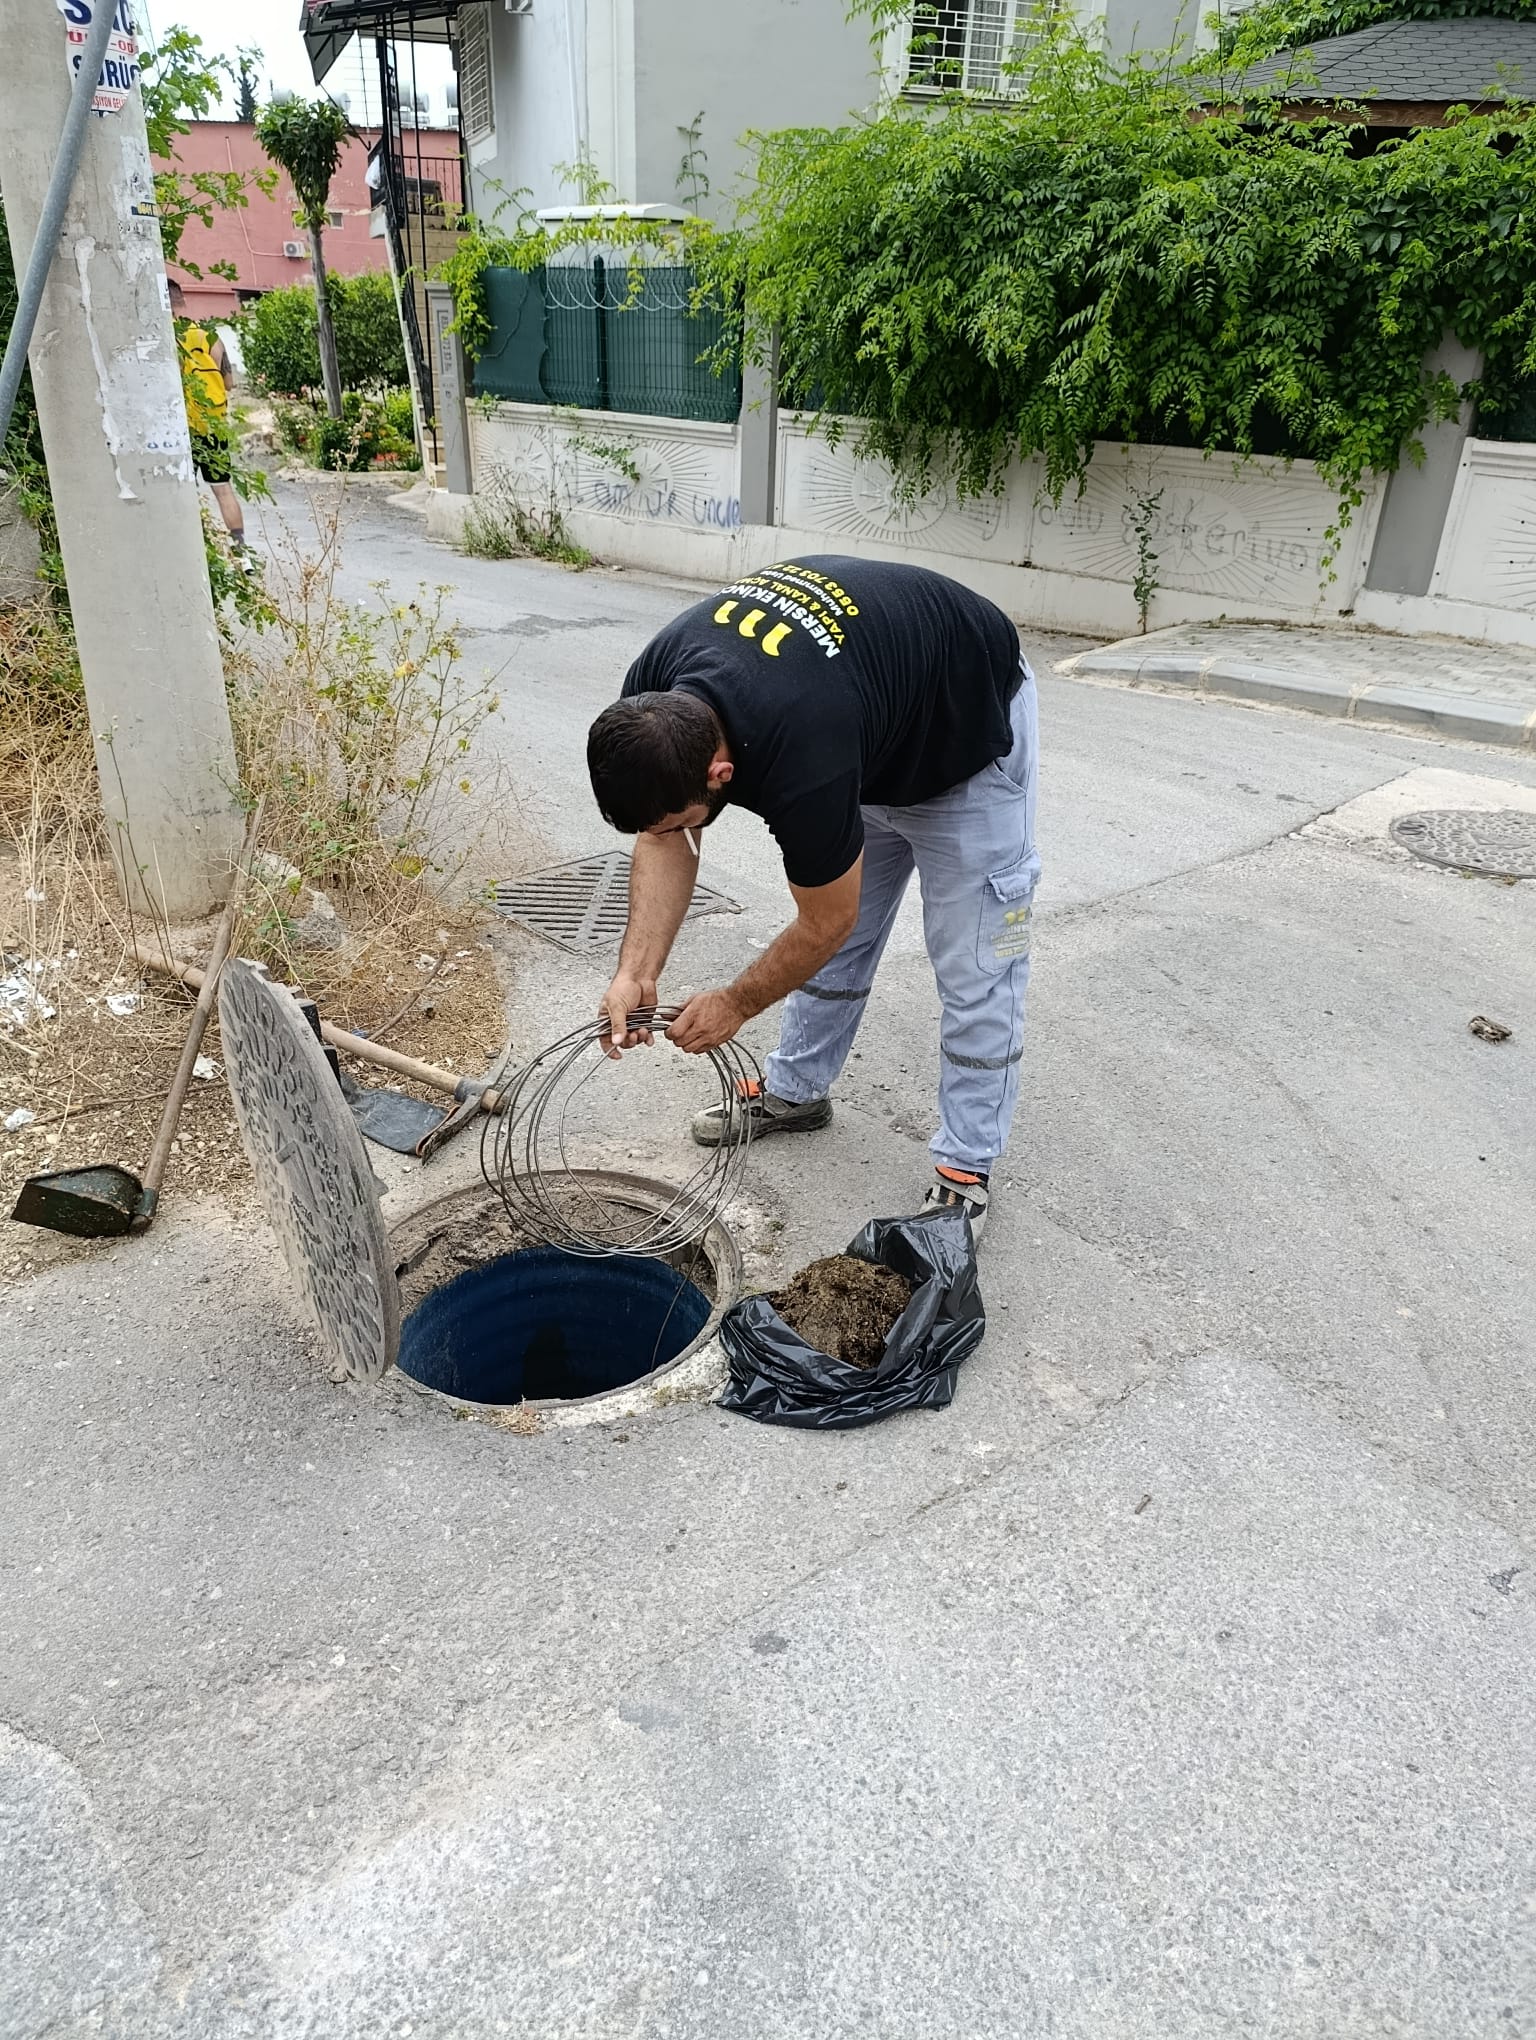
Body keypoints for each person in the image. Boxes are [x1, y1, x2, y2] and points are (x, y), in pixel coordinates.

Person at [586, 556, 1039, 1238]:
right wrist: (635, 973)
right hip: (871, 723)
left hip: (964, 728)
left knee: (977, 967)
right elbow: (663, 839)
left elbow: (826, 919)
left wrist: (736, 1004)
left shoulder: (800, 749)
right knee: (839, 948)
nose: (673, 832)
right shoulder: (652, 704)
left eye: (684, 815)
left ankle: (966, 1167)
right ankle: (795, 1095)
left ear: (722, 774)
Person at [169, 281, 248, 553]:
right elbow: (228, 383)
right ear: (183, 302)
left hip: (185, 429)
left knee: (183, 493)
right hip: (214, 427)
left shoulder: (168, 338)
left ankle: (191, 551)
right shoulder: (210, 337)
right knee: (223, 490)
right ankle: (241, 552)